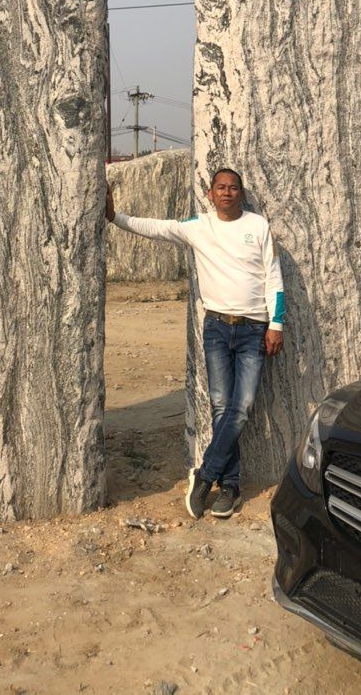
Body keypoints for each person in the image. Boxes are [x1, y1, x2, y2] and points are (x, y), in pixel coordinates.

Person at [105, 167, 284, 520]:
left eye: (233, 188)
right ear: (210, 194)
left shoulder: (258, 226)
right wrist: (115, 217)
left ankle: (205, 475)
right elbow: (157, 227)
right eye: (221, 187)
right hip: (217, 328)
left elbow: (274, 277)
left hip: (253, 329)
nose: (227, 193)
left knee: (242, 407)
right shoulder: (199, 226)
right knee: (220, 406)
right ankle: (230, 487)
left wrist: (276, 324)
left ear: (241, 193)